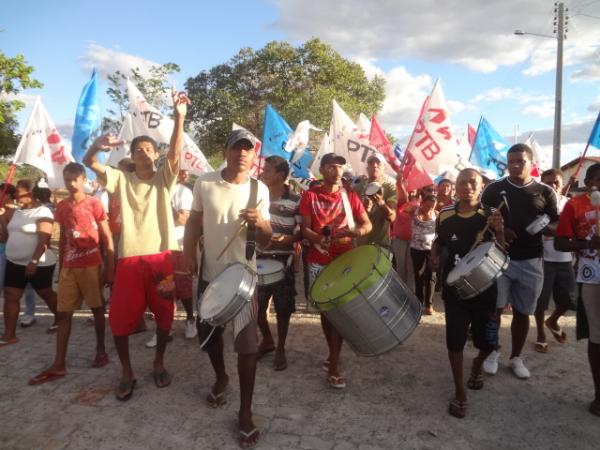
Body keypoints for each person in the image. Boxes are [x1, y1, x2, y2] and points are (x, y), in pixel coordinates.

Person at [83, 89, 190, 400]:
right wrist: (96, 146)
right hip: (129, 260)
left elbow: (174, 152)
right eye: (138, 150)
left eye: (148, 149)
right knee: (119, 321)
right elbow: (91, 162)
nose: (144, 153)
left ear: (155, 154)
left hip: (161, 259)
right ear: (131, 156)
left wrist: (179, 118)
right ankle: (127, 372)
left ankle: (158, 364)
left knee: (165, 316)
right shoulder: (120, 179)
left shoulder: (163, 179)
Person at [184, 129, 271, 449]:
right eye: (237, 148)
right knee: (210, 339)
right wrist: (187, 254)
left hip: (244, 280)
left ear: (252, 155)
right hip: (209, 275)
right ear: (226, 150)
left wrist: (260, 221)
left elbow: (266, 239)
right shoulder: (204, 182)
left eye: (248, 149)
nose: (242, 154)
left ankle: (245, 412)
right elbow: (194, 222)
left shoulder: (258, 189)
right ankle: (221, 377)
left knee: (247, 348)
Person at [28, 163, 114, 385]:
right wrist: (61, 266)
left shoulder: (94, 203)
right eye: (67, 179)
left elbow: (107, 236)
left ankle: (100, 350)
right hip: (69, 267)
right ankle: (59, 363)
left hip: (92, 265)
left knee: (96, 309)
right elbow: (64, 237)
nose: (71, 183)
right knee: (64, 313)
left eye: (75, 179)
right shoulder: (62, 207)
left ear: (84, 179)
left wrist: (109, 265)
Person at [431, 168, 504, 418]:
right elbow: (439, 241)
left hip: (486, 289)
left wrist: (501, 230)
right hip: (455, 291)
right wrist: (434, 259)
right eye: (462, 182)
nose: (467, 187)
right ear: (455, 187)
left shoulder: (493, 214)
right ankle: (460, 391)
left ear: (482, 185)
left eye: (473, 182)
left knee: (488, 342)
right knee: (455, 341)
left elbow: (504, 249)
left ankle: (477, 364)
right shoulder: (445, 214)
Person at [481, 143, 558, 379]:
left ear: (531, 163)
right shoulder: (494, 189)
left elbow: (555, 222)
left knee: (523, 312)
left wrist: (547, 229)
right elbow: (481, 216)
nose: (514, 166)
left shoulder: (545, 191)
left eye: (520, 161)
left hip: (532, 261)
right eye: (511, 161)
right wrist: (497, 228)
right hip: (499, 259)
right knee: (494, 310)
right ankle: (492, 351)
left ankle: (515, 357)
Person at [299, 152, 372, 389]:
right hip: (318, 260)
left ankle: (333, 365)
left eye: (340, 167)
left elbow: (366, 224)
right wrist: (319, 237)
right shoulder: (310, 196)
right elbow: (304, 229)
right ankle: (333, 354)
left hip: (344, 260)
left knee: (339, 312)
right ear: (322, 170)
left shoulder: (349, 196)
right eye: (331, 167)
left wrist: (354, 233)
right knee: (326, 313)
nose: (337, 171)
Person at [555, 163, 600, 417]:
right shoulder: (575, 205)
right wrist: (586, 243)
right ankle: (599, 394)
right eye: (598, 179)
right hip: (592, 277)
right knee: (597, 336)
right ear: (590, 182)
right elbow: (561, 242)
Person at [255, 155, 301, 371]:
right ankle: (267, 340)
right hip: (258, 260)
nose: (263, 172)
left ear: (280, 175)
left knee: (283, 310)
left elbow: (300, 233)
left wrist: (286, 240)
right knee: (256, 308)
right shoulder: (256, 197)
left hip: (284, 260)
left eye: (268, 170)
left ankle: (280, 348)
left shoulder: (295, 199)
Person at [0, 179, 58, 347]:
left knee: (46, 293)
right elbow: (6, 235)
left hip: (38, 264)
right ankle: (9, 334)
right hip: (14, 262)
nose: (16, 194)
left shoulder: (43, 212)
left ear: (30, 193)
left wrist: (33, 261)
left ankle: (61, 318)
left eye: (19, 191)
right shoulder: (16, 212)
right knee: (11, 296)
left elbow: (44, 240)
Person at [146, 169, 196, 348]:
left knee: (184, 288)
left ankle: (190, 319)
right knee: (163, 288)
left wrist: (165, 200)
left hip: (178, 246)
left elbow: (183, 220)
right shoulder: (151, 189)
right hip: (157, 247)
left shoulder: (184, 192)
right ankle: (164, 328)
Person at [533, 169, 575, 353]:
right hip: (543, 259)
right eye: (548, 183)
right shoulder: (536, 204)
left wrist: (557, 228)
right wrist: (557, 228)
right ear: (542, 184)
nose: (553, 186)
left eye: (556, 182)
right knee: (541, 302)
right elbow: (537, 229)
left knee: (567, 301)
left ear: (562, 183)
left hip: (565, 259)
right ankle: (540, 334)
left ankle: (553, 321)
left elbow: (574, 228)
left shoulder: (569, 204)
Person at [355, 153, 397, 248]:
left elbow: (392, 218)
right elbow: (350, 217)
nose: (374, 165)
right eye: (371, 162)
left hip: (380, 245)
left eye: (378, 163)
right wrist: (363, 209)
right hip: (359, 244)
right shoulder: (357, 188)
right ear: (367, 168)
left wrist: (381, 204)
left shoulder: (390, 187)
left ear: (383, 168)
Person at [409, 193, 438, 315]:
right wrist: (416, 205)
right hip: (416, 249)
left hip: (431, 249)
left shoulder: (436, 214)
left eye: (432, 206)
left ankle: (429, 304)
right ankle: (419, 303)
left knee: (431, 276)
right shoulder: (414, 211)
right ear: (422, 203)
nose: (430, 208)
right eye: (427, 206)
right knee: (419, 276)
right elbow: (404, 207)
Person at [391, 173, 419, 290]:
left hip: (414, 241)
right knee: (401, 267)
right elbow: (403, 198)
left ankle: (411, 294)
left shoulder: (420, 203)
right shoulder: (399, 201)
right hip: (399, 240)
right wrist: (399, 183)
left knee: (411, 268)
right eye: (408, 188)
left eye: (413, 189)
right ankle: (401, 292)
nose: (411, 190)